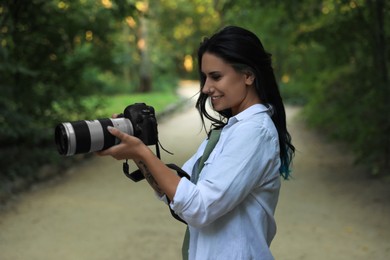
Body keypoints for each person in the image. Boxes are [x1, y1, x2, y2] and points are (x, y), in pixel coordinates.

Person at [98, 25, 295, 260]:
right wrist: (137, 152)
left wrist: (142, 152)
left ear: (248, 75)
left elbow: (198, 208)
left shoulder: (255, 132)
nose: (205, 88)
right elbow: (179, 193)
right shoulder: (232, 130)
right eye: (204, 77)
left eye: (216, 76)